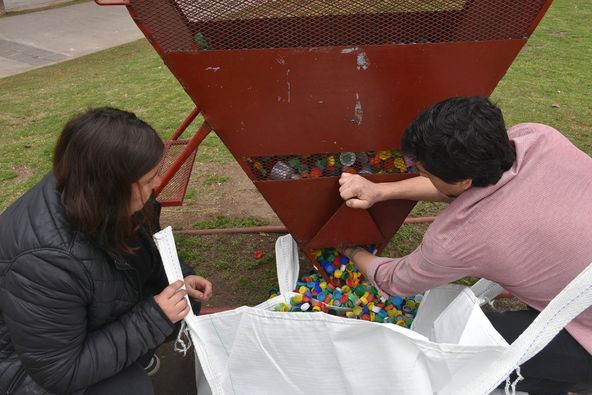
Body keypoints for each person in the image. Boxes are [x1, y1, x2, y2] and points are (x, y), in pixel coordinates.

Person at [339, 96, 592, 394]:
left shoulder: (460, 237)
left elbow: (393, 280)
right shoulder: (536, 137)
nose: (419, 174)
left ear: (462, 180)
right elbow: (468, 187)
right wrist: (380, 190)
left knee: (467, 352)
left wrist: (351, 250)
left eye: (423, 172)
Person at [0, 107, 213, 395]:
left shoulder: (100, 194)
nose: (159, 184)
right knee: (129, 390)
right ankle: (128, 364)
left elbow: (144, 252)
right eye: (149, 180)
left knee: (186, 302)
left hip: (77, 324)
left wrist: (180, 278)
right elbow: (59, 371)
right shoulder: (44, 262)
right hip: (25, 367)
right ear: (111, 189)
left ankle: (131, 356)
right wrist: (154, 318)